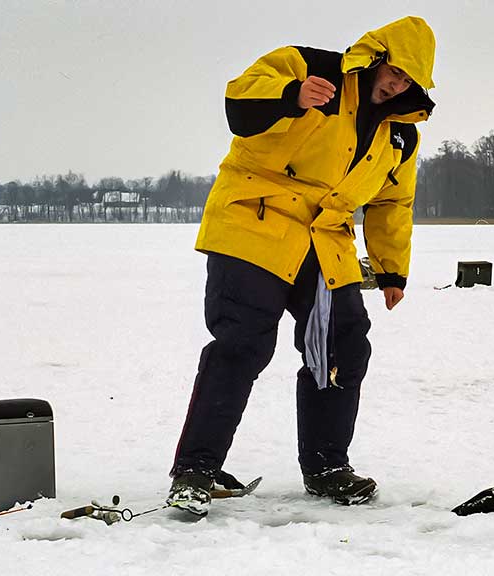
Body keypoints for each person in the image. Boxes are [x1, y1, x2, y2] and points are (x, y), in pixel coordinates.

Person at [167, 16, 436, 516]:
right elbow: (239, 103)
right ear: (374, 59)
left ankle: (327, 466)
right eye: (393, 73)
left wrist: (392, 269)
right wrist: (291, 95)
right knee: (243, 343)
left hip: (326, 237)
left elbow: (391, 204)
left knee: (343, 344)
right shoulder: (311, 67)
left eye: (408, 81)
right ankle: (195, 472)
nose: (396, 86)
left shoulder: (401, 136)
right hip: (255, 219)